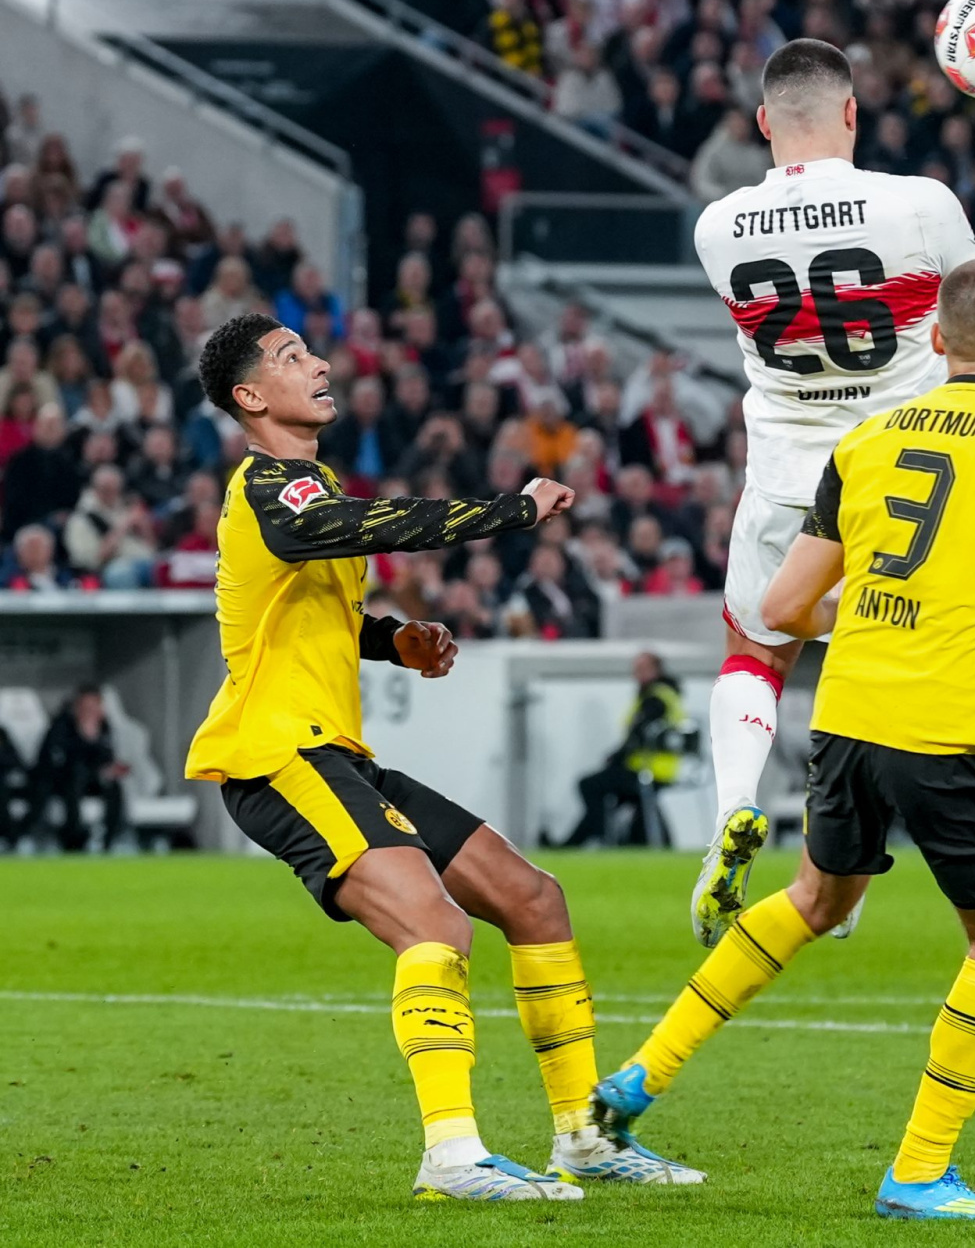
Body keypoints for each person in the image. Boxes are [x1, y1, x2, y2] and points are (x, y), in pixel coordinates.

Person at [588, 259, 975, 1220]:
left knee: (814, 898)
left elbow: (783, 607)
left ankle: (636, 1082)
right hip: (950, 728)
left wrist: (880, 605)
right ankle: (919, 1173)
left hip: (848, 715)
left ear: (935, 340)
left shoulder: (870, 437)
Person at [183, 314, 697, 1200]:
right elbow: (355, 526)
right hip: (275, 754)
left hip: (334, 751)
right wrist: (511, 509)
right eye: (292, 357)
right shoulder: (270, 487)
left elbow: (314, 612)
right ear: (250, 396)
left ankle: (583, 1138)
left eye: (312, 350)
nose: (320, 363)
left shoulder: (309, 489)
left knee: (533, 898)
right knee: (435, 927)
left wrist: (393, 641)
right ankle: (452, 1156)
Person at [686, 38, 975, 950]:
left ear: (763, 122)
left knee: (756, 649)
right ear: (853, 113)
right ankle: (842, 857)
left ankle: (734, 808)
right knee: (874, 652)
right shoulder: (921, 204)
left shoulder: (719, 226)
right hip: (903, 478)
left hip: (786, 476)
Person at [562, 651, 692, 847]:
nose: (637, 674)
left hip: (647, 769)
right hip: (656, 769)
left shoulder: (655, 698)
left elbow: (639, 736)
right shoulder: (666, 694)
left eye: (642, 669)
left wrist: (617, 757)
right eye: (636, 669)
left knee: (589, 785)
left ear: (656, 670)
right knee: (615, 794)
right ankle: (574, 842)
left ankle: (598, 834)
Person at [34, 685, 127, 852]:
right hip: (64, 781)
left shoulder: (104, 727)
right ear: (77, 706)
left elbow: (106, 757)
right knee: (76, 777)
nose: (90, 711)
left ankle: (109, 840)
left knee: (114, 787)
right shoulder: (62, 726)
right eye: (86, 706)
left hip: (93, 780)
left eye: (94, 706)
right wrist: (85, 737)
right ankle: (74, 840)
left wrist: (110, 769)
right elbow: (56, 760)